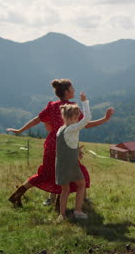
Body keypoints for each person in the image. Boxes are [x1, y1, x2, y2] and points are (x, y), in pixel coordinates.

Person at [7, 79, 114, 207]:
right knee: (76, 175)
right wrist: (105, 119)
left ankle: (17, 195)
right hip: (65, 146)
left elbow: (36, 120)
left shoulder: (52, 106)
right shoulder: (72, 108)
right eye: (72, 88)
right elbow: (87, 124)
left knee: (46, 174)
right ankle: (64, 206)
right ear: (67, 92)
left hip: (52, 144)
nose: (74, 90)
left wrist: (20, 130)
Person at [56, 92, 91, 220]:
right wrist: (85, 101)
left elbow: (67, 145)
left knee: (65, 190)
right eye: (78, 115)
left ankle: (62, 215)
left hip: (60, 164)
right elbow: (87, 119)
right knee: (81, 185)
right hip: (71, 164)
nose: (79, 117)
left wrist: (76, 149)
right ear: (74, 117)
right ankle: (78, 211)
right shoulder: (72, 129)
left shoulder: (61, 129)